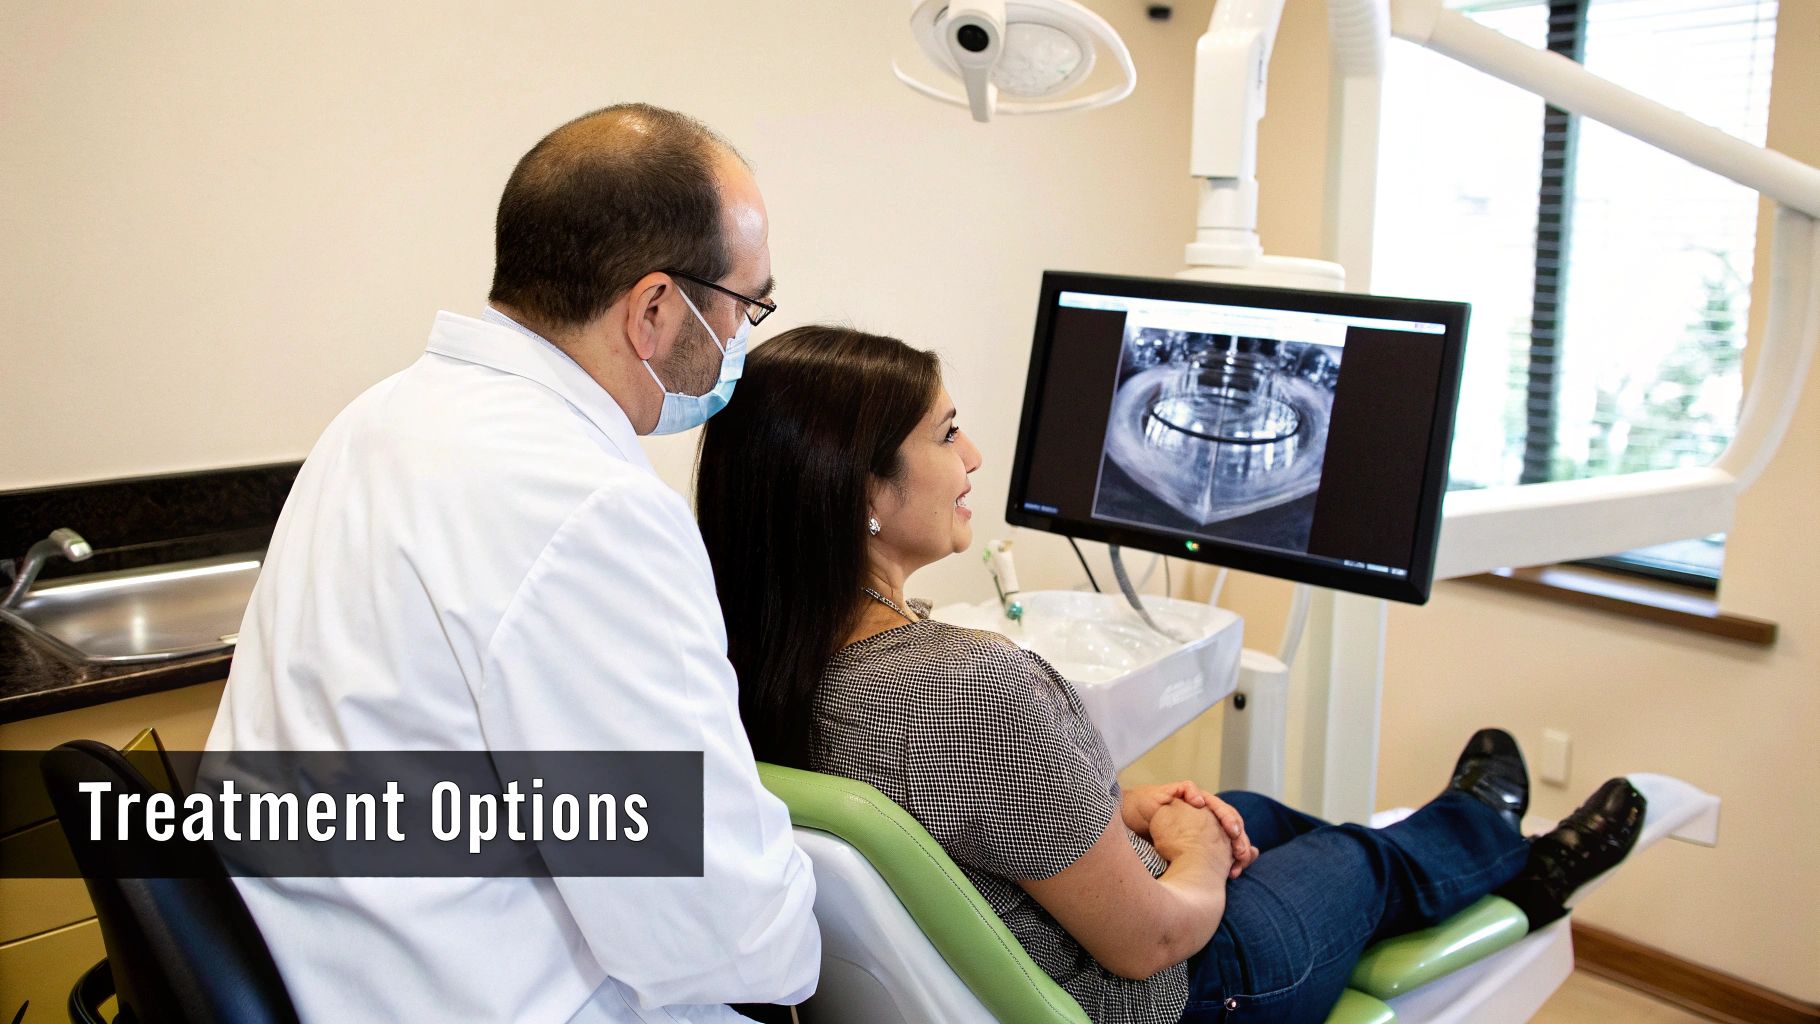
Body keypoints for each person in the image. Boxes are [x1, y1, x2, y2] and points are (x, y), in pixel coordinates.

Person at [695, 325, 1646, 1024]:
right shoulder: (970, 686)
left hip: (1035, 939)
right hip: (1185, 990)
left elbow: (967, 809)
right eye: (948, 435)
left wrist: (1135, 806)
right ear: (865, 491)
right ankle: (1507, 850)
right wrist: (1188, 849)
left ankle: (1459, 861)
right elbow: (1149, 939)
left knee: (1255, 816)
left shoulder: (743, 654)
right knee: (1358, 856)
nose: (975, 457)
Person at [207, 105, 817, 1023]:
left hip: (319, 965)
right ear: (654, 309)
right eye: (744, 305)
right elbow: (724, 941)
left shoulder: (382, 416)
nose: (741, 339)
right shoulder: (589, 507)